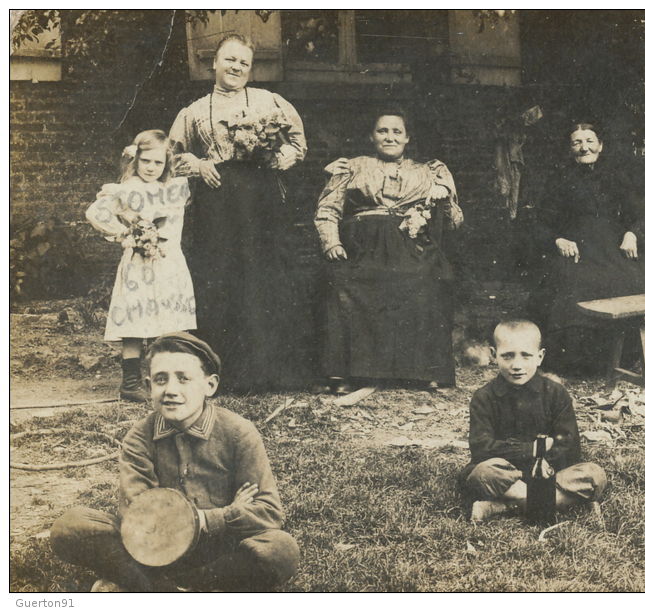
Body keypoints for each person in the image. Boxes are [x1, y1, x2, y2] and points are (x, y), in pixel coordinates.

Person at [49, 332, 300, 591]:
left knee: (281, 549)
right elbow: (137, 516)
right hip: (150, 550)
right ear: (148, 387)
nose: (171, 390)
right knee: (71, 526)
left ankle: (159, 586)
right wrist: (227, 514)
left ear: (209, 385)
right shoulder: (140, 435)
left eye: (183, 379)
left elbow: (268, 512)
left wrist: (203, 521)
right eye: (161, 380)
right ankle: (175, 591)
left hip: (219, 551)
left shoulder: (238, 432)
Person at [169, 34, 307, 392]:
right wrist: (199, 165)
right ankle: (224, 373)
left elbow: (297, 144)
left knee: (265, 276)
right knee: (222, 277)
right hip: (218, 203)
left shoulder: (269, 102)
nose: (236, 68)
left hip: (261, 202)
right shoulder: (194, 111)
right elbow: (172, 157)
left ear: (251, 68)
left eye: (243, 63)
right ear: (213, 63)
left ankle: (271, 372)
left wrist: (282, 157)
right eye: (229, 60)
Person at [314, 110, 463, 390]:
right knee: (343, 281)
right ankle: (344, 372)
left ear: (407, 137)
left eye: (397, 131)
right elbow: (328, 208)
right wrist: (331, 241)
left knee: (428, 278)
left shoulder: (428, 171)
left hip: (409, 244)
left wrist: (444, 201)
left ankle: (421, 371)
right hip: (360, 244)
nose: (389, 137)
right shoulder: (352, 166)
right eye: (383, 131)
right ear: (372, 137)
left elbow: (455, 221)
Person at [527, 122, 645, 374]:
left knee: (627, 279)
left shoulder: (617, 177)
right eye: (577, 142)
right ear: (570, 148)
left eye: (589, 141)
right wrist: (557, 240)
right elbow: (540, 222)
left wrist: (632, 233)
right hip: (576, 250)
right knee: (574, 284)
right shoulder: (559, 179)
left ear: (600, 145)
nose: (584, 148)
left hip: (612, 248)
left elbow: (642, 214)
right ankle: (577, 364)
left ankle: (621, 359)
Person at [85, 130, 195, 402]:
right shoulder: (127, 189)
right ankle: (131, 383)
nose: (151, 168)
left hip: (170, 264)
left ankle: (164, 379)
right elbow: (95, 213)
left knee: (168, 322)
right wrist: (124, 235)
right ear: (135, 160)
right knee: (135, 321)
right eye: (146, 161)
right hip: (139, 266)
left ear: (166, 164)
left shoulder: (173, 188)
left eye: (158, 163)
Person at [462, 320, 607, 522]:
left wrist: (544, 467)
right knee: (481, 473)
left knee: (594, 475)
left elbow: (569, 446)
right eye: (507, 356)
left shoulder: (556, 393)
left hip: (551, 474)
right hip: (507, 476)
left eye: (526, 355)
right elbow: (481, 447)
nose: (517, 365)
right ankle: (566, 504)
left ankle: (502, 506)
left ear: (540, 357)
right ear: (494, 356)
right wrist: (531, 450)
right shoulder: (484, 397)